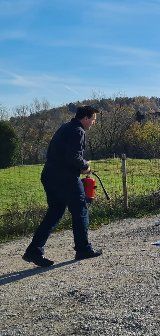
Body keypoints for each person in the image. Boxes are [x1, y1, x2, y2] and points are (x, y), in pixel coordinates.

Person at [22, 106, 103, 267]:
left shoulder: (65, 127)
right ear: (85, 118)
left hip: (49, 175)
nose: (93, 123)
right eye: (93, 119)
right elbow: (73, 156)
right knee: (80, 210)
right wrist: (85, 166)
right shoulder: (78, 131)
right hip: (65, 178)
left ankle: (34, 251)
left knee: (55, 213)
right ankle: (83, 249)